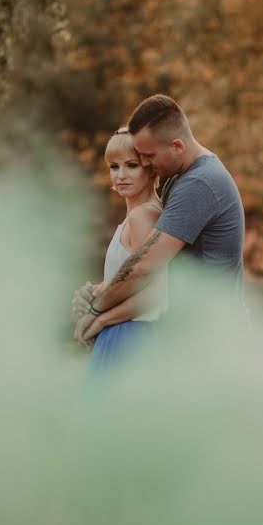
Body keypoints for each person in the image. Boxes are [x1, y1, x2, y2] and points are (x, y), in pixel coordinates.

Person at [73, 94, 245, 345]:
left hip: (208, 336)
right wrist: (98, 291)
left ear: (176, 146)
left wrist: (96, 312)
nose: (145, 163)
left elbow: (145, 268)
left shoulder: (199, 183)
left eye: (148, 155)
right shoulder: (181, 176)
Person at [71, 127, 167, 367]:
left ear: (151, 168)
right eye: (114, 166)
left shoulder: (143, 216)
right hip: (126, 333)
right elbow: (129, 282)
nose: (120, 175)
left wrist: (100, 320)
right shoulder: (139, 214)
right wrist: (94, 292)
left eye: (131, 165)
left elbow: (155, 294)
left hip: (129, 337)